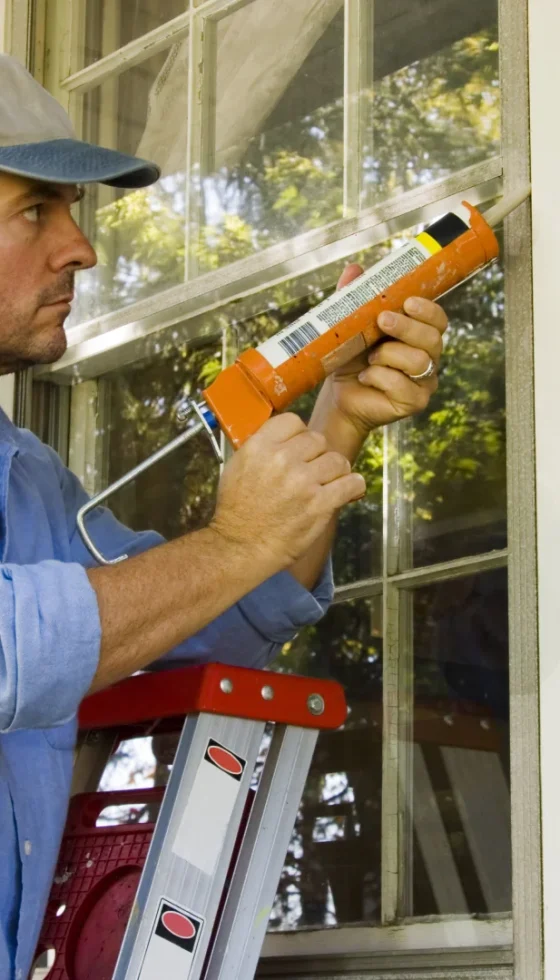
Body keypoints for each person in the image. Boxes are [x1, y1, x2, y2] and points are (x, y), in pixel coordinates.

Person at [0, 55, 448, 978]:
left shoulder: (26, 478)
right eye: (33, 210)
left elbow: (192, 632)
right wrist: (236, 540)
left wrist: (336, 421)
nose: (80, 248)